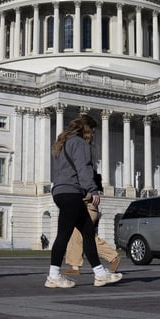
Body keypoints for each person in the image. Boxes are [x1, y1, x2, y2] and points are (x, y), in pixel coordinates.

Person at [46, 114, 122, 289]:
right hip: (71, 192)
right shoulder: (80, 143)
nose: (93, 135)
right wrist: (93, 189)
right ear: (87, 129)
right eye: (93, 131)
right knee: (64, 234)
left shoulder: (62, 143)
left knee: (87, 233)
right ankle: (53, 276)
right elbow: (84, 168)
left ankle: (100, 274)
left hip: (60, 191)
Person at [61, 171, 121, 276]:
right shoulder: (77, 174)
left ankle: (112, 256)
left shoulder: (84, 174)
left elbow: (88, 193)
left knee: (85, 236)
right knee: (79, 235)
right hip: (81, 208)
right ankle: (75, 266)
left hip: (88, 208)